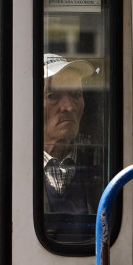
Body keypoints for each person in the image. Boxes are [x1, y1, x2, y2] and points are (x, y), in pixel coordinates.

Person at [42, 53, 98, 214]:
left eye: (75, 95)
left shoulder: (100, 167)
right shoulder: (13, 168)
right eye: (52, 96)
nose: (69, 107)